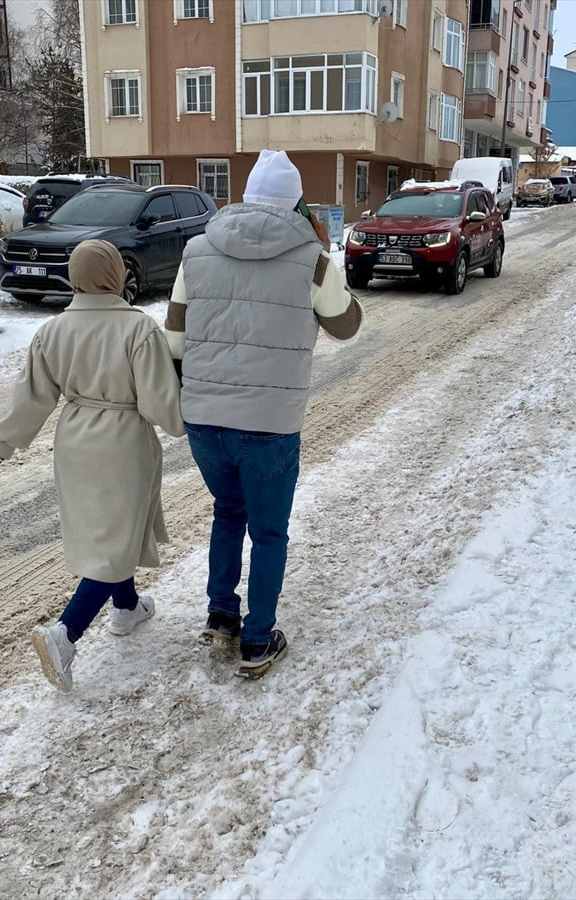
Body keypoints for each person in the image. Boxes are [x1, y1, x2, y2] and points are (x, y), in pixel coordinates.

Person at [164, 149, 364, 678]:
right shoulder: (315, 259)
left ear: (246, 197)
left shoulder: (195, 251)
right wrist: (327, 260)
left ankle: (221, 615)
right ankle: (257, 642)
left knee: (228, 513)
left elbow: (176, 340)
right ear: (299, 204)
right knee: (269, 531)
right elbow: (347, 327)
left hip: (205, 419)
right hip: (271, 423)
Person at [0, 239, 184, 693]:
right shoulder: (139, 330)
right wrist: (187, 418)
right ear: (116, 274)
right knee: (115, 538)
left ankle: (127, 608)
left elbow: (31, 397)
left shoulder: (52, 331)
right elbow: (160, 404)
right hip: (123, 443)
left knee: (107, 532)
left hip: (73, 441)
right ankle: (65, 634)